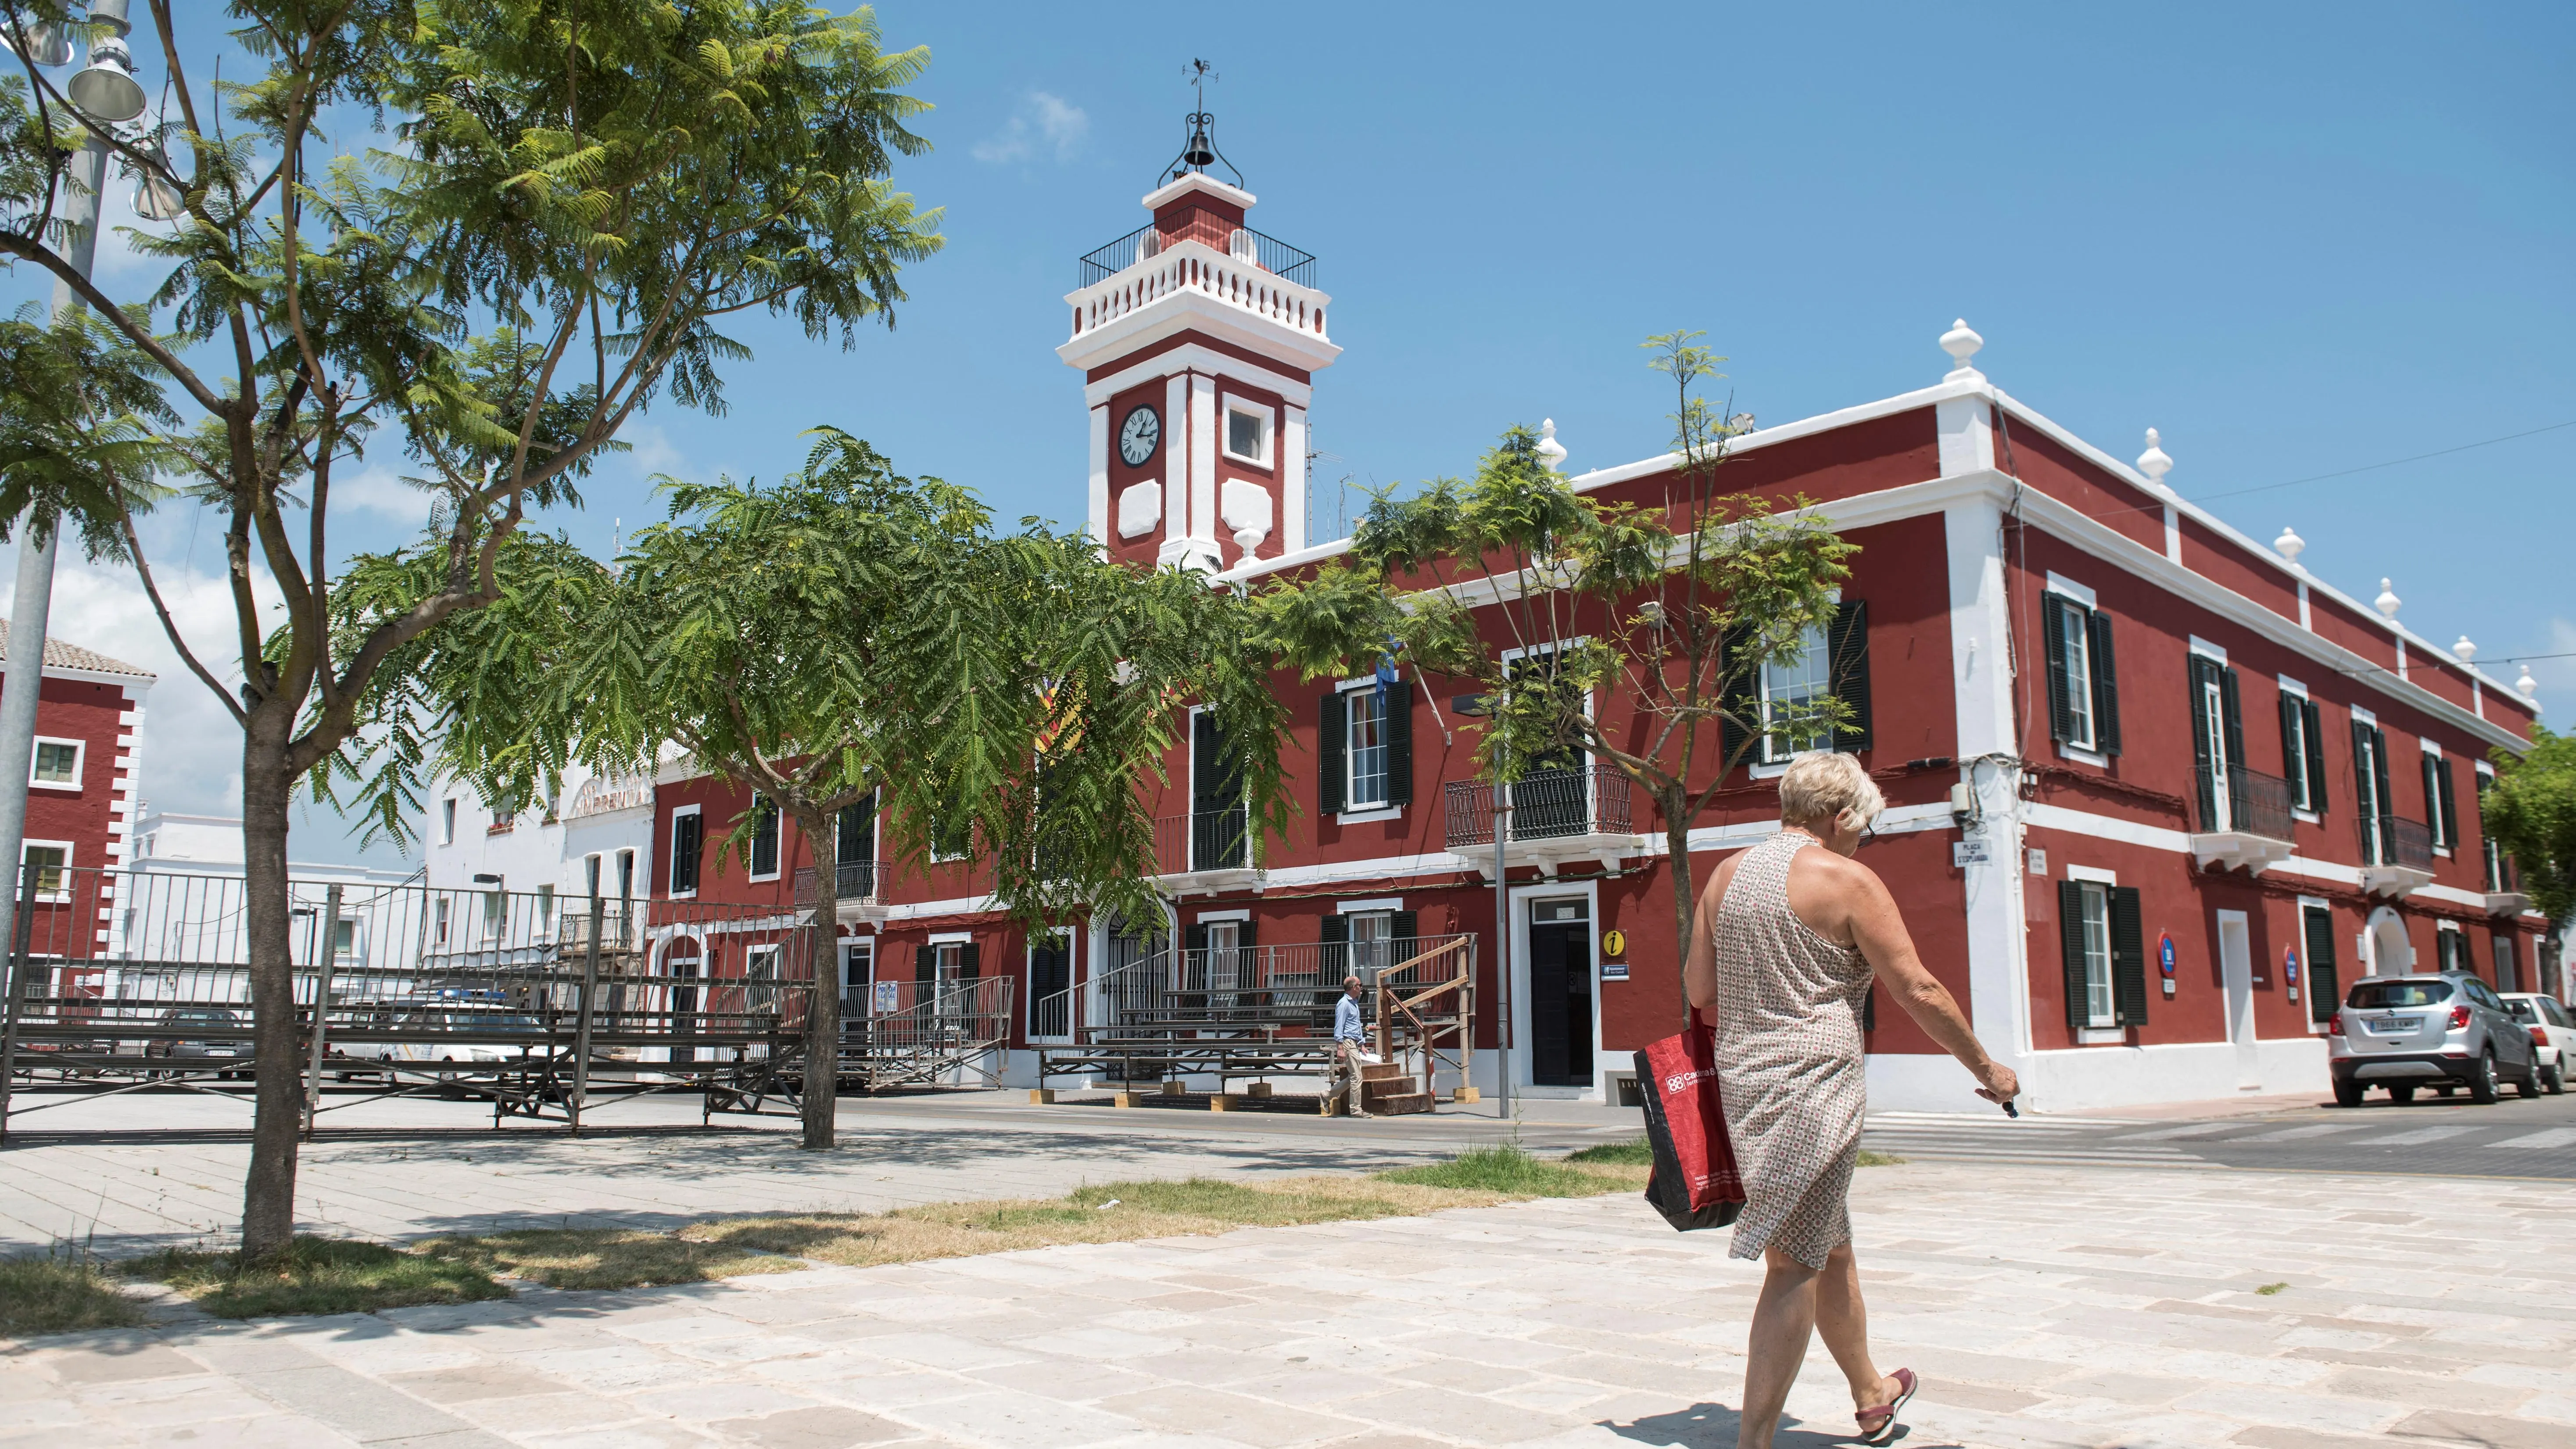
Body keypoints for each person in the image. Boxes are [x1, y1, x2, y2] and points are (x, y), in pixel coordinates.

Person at [1681, 751, 2018, 1449]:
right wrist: (1986, 1067)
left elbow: (1697, 990)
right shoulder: (1847, 879)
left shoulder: (1723, 874)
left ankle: (1871, 1393)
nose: (1861, 838)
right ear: (1836, 817)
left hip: (1746, 1081)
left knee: (1826, 1248)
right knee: (1792, 1264)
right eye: (1860, 825)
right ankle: (1753, 1443)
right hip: (1816, 1089)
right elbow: (1917, 988)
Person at [1331, 974, 1371, 1117]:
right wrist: (1340, 1048)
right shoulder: (1344, 1004)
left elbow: (1356, 1025)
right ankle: (1356, 1110)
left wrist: (1361, 1044)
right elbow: (1339, 1026)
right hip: (1347, 1043)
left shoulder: (1354, 1003)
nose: (1362, 988)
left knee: (1354, 1076)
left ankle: (1326, 1095)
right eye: (1360, 985)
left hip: (1354, 1042)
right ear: (1354, 987)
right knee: (1357, 1076)